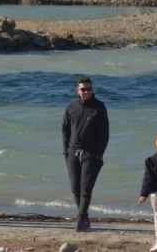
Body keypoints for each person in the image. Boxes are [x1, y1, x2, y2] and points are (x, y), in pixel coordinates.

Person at [62, 77, 109, 231]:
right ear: (78, 91)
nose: (86, 92)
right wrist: (66, 152)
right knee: (75, 188)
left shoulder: (99, 107)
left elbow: (105, 134)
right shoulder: (72, 107)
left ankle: (81, 219)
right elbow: (65, 130)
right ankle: (84, 217)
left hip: (91, 154)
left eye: (89, 89)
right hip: (72, 152)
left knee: (86, 188)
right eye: (83, 89)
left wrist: (99, 154)